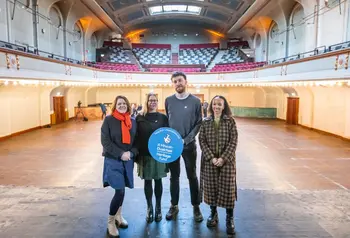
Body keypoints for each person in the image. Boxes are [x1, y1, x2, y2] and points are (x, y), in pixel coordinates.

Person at [164, 71, 203, 222]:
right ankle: (174, 205)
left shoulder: (195, 101)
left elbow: (198, 122)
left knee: (192, 176)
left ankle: (196, 206)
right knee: (174, 177)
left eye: (180, 80)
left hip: (189, 146)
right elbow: (168, 121)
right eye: (175, 81)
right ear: (172, 84)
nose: (178, 83)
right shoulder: (168, 101)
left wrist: (187, 139)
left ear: (186, 82)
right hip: (172, 146)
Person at [198, 95, 238, 235]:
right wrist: (211, 158)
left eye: (219, 104)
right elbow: (202, 141)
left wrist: (223, 158)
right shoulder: (206, 122)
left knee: (228, 189)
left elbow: (233, 142)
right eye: (214, 104)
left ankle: (229, 218)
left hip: (227, 162)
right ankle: (213, 214)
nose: (216, 107)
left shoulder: (230, 121)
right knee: (212, 188)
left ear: (224, 106)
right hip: (210, 162)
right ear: (211, 106)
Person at [101, 95, 138, 238]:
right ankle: (110, 220)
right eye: (119, 103)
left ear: (128, 105)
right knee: (120, 190)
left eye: (124, 103)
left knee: (122, 189)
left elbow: (137, 143)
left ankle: (118, 215)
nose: (122, 105)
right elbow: (105, 141)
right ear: (115, 106)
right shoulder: (109, 120)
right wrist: (120, 153)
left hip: (128, 160)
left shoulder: (133, 122)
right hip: (113, 160)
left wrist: (131, 153)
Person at [135, 93, 169, 223]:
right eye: (150, 100)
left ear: (157, 102)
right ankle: (149, 208)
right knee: (147, 181)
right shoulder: (139, 117)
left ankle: (158, 207)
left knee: (158, 181)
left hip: (159, 154)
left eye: (155, 100)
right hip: (144, 154)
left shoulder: (163, 118)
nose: (153, 102)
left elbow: (168, 135)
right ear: (146, 102)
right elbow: (135, 135)